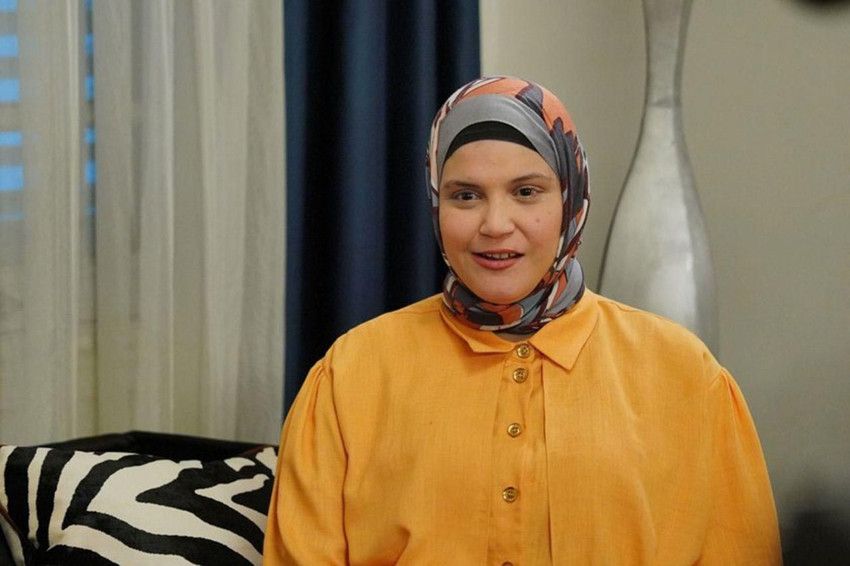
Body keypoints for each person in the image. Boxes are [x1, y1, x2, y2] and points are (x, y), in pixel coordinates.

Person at [263, 76, 781, 564]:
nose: (495, 224)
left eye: (526, 192)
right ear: (436, 203)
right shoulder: (351, 375)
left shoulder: (686, 377)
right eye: (466, 195)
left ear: (571, 200)